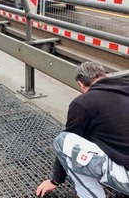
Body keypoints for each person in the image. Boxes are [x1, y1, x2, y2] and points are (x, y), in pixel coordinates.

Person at [36, 61, 129, 197]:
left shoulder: (83, 103)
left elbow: (70, 144)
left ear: (81, 84)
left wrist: (55, 180)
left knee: (63, 142)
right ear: (105, 75)